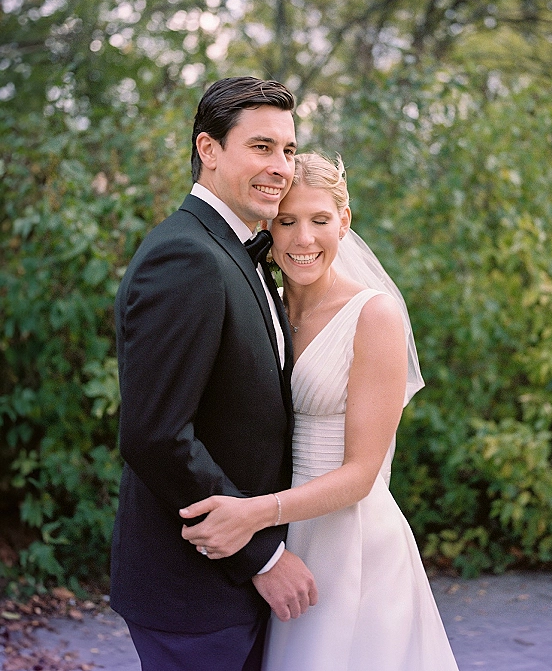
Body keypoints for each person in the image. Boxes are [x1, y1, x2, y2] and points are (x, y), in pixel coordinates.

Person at [180, 152, 459, 670]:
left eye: (320, 220)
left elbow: (360, 476)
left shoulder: (374, 315)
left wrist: (252, 516)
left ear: (344, 221)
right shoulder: (266, 303)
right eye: (287, 222)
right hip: (283, 534)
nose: (303, 239)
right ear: (269, 224)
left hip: (348, 538)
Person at [110, 77, 318, 671]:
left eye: (287, 149)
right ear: (209, 148)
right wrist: (263, 558)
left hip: (231, 588)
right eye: (261, 147)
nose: (280, 166)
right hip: (195, 592)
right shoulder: (187, 256)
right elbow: (156, 435)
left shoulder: (240, 250)